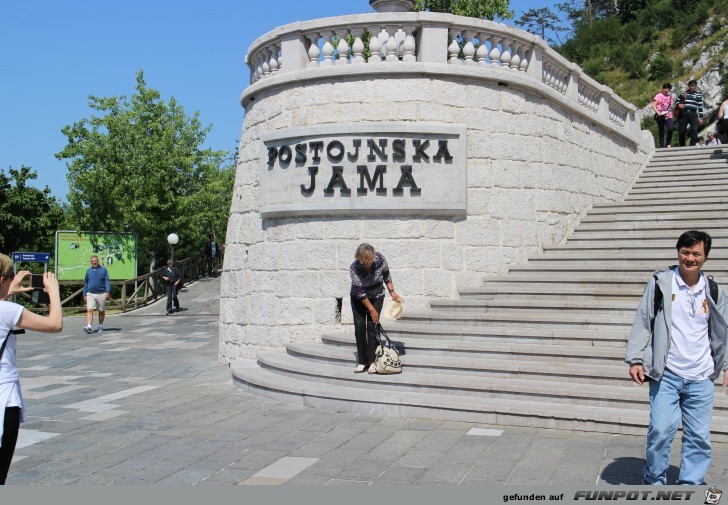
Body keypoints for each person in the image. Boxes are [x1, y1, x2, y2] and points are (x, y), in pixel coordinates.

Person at [625, 230, 728, 485]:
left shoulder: (713, 290)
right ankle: (654, 482)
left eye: (696, 253)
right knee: (660, 430)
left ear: (705, 257)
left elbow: (723, 330)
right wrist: (635, 358)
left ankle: (690, 486)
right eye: (685, 252)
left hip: (701, 375)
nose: (689, 258)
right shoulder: (662, 282)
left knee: (699, 436)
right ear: (678, 252)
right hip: (667, 373)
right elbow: (643, 320)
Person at [0, 254, 63, 484]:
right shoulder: (7, 311)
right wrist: (53, 291)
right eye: (8, 277)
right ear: (1, 279)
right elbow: (55, 324)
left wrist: (10, 291)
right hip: (3, 398)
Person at [349, 243, 400, 374]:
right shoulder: (354, 268)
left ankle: (372, 361)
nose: (363, 263)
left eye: (366, 261)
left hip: (377, 295)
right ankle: (362, 361)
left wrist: (392, 292)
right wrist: (371, 309)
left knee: (372, 326)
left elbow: (387, 276)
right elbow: (360, 292)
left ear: (372, 257)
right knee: (359, 327)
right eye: (361, 261)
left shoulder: (380, 259)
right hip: (359, 299)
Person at [82, 255, 110, 334]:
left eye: (95, 261)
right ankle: (89, 326)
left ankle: (100, 325)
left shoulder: (104, 270)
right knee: (89, 309)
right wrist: (84, 294)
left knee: (101, 310)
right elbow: (86, 283)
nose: (94, 262)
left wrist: (107, 291)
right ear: (91, 262)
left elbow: (107, 281)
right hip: (90, 293)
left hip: (101, 293)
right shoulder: (88, 271)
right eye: (93, 261)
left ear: (98, 261)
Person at [675, 80, 705, 147]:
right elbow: (677, 100)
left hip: (693, 113)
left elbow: (700, 106)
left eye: (693, 86)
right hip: (684, 113)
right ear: (688, 86)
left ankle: (692, 145)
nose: (691, 87)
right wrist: (679, 104)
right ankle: (682, 146)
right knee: (682, 130)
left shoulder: (698, 95)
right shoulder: (684, 93)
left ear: (695, 86)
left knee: (694, 129)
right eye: (690, 85)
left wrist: (701, 118)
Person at [652, 83, 674, 148]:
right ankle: (662, 146)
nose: (667, 90)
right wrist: (657, 112)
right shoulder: (658, 95)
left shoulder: (670, 97)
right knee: (661, 131)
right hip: (660, 115)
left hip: (668, 115)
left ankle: (668, 143)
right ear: (663, 88)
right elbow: (653, 105)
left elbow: (671, 106)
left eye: (668, 89)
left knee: (671, 128)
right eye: (666, 89)